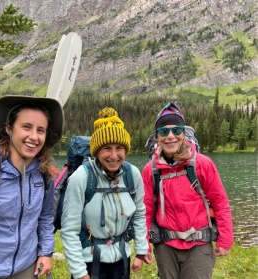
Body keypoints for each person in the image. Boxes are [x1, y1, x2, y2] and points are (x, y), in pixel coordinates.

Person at [0, 95, 64, 279]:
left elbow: (44, 218)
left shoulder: (45, 175)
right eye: (26, 127)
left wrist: (45, 252)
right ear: (9, 128)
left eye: (41, 130)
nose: (34, 137)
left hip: (26, 269)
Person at [142, 102, 234, 279]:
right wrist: (143, 244)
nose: (170, 136)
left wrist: (226, 238)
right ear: (157, 137)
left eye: (176, 130)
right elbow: (146, 210)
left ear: (183, 133)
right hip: (165, 246)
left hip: (198, 245)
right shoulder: (150, 170)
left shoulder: (202, 163)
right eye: (163, 131)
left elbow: (220, 202)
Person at [60, 107, 153, 279]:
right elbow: (69, 229)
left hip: (121, 259)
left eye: (119, 148)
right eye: (106, 148)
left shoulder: (132, 174)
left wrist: (141, 251)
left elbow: (139, 214)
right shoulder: (81, 177)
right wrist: (79, 272)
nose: (114, 155)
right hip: (89, 261)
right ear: (96, 151)